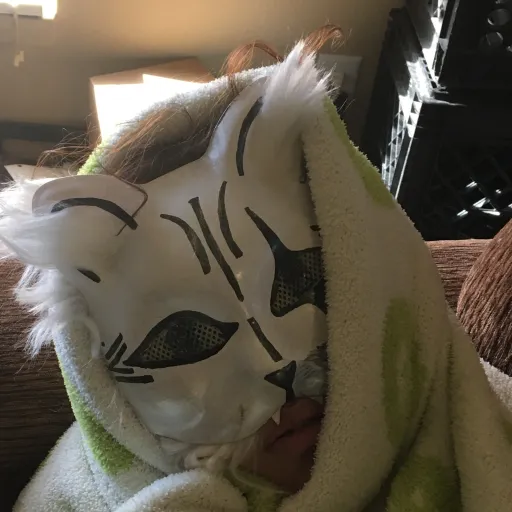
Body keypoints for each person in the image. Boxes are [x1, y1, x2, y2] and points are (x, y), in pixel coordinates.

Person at [3, 27, 512, 512]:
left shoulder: (475, 424)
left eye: (297, 283)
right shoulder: (77, 492)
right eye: (188, 337)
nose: (275, 363)